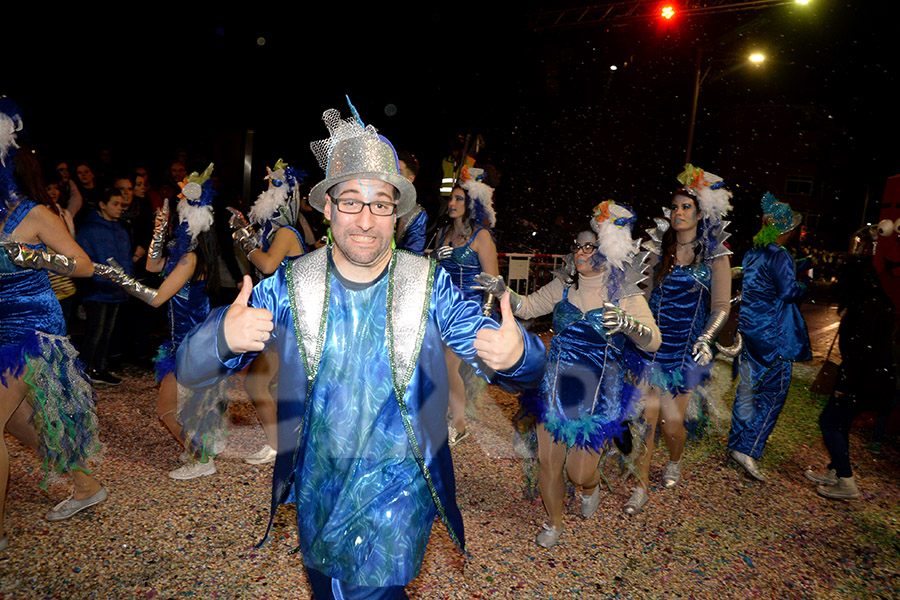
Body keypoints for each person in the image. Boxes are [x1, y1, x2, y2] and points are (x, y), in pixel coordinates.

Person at [175, 103, 545, 599]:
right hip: (318, 495)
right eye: (351, 201)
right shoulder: (291, 285)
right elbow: (189, 370)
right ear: (326, 208)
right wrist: (221, 337)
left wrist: (518, 356)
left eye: (381, 204)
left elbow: (528, 372)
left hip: (398, 498)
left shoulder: (427, 285)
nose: (366, 220)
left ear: (397, 211)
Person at [475, 202, 661, 547]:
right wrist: (504, 293)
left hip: (597, 396)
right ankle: (554, 521)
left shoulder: (624, 294)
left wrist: (628, 324)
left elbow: (654, 341)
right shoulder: (563, 287)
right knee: (549, 463)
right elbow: (528, 306)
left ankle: (590, 487)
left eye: (590, 246)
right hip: (553, 386)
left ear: (607, 249)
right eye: (577, 245)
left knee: (579, 472)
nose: (581, 251)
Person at [0, 99, 105, 552]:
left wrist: (33, 256)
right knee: (22, 423)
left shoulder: (35, 214)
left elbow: (83, 266)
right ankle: (86, 487)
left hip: (32, 329)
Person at [628, 164, 733, 514]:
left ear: (701, 213)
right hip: (652, 346)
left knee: (673, 425)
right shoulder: (658, 250)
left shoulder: (716, 255)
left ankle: (675, 458)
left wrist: (706, 339)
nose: (678, 212)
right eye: (674, 207)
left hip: (686, 353)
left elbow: (720, 306)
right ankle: (640, 487)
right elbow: (639, 295)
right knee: (647, 419)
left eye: (686, 206)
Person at [227, 159, 308, 465]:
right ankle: (285, 443)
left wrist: (246, 242)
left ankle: (279, 446)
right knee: (268, 384)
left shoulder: (286, 232)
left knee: (257, 383)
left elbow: (267, 265)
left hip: (283, 321)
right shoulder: (276, 234)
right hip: (274, 317)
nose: (266, 195)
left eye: (273, 188)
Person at [727, 193, 811, 481]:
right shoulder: (779, 255)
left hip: (751, 330)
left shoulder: (753, 253)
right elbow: (788, 292)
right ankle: (748, 448)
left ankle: (735, 443)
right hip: (775, 335)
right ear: (786, 230)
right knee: (774, 393)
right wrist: (805, 283)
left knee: (748, 389)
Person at [804, 255, 894, 499]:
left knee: (830, 422)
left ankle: (846, 482)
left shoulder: (865, 305)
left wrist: (844, 384)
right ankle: (836, 471)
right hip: (874, 377)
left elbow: (860, 351)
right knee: (839, 423)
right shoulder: (879, 301)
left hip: (862, 379)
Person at [433, 170, 499, 445]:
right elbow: (435, 273)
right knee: (435, 367)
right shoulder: (443, 233)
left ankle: (459, 424)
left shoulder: (481, 236)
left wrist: (484, 317)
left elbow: (494, 281)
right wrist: (436, 258)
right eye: (451, 197)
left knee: (448, 367)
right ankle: (443, 417)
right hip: (443, 308)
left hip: (470, 312)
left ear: (471, 203)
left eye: (459, 198)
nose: (452, 203)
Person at [75, 187, 133, 385]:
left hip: (117, 289)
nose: (120, 208)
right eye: (115, 204)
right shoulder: (90, 229)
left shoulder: (120, 229)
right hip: (97, 289)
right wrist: (99, 281)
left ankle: (98, 368)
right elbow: (85, 259)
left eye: (121, 205)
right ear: (102, 204)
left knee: (107, 332)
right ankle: (81, 373)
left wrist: (128, 282)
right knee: (95, 331)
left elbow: (126, 259)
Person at [395, 150, 427, 254]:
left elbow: (414, 256)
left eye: (399, 172)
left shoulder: (415, 214)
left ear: (410, 179)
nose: (393, 175)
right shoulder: (371, 200)